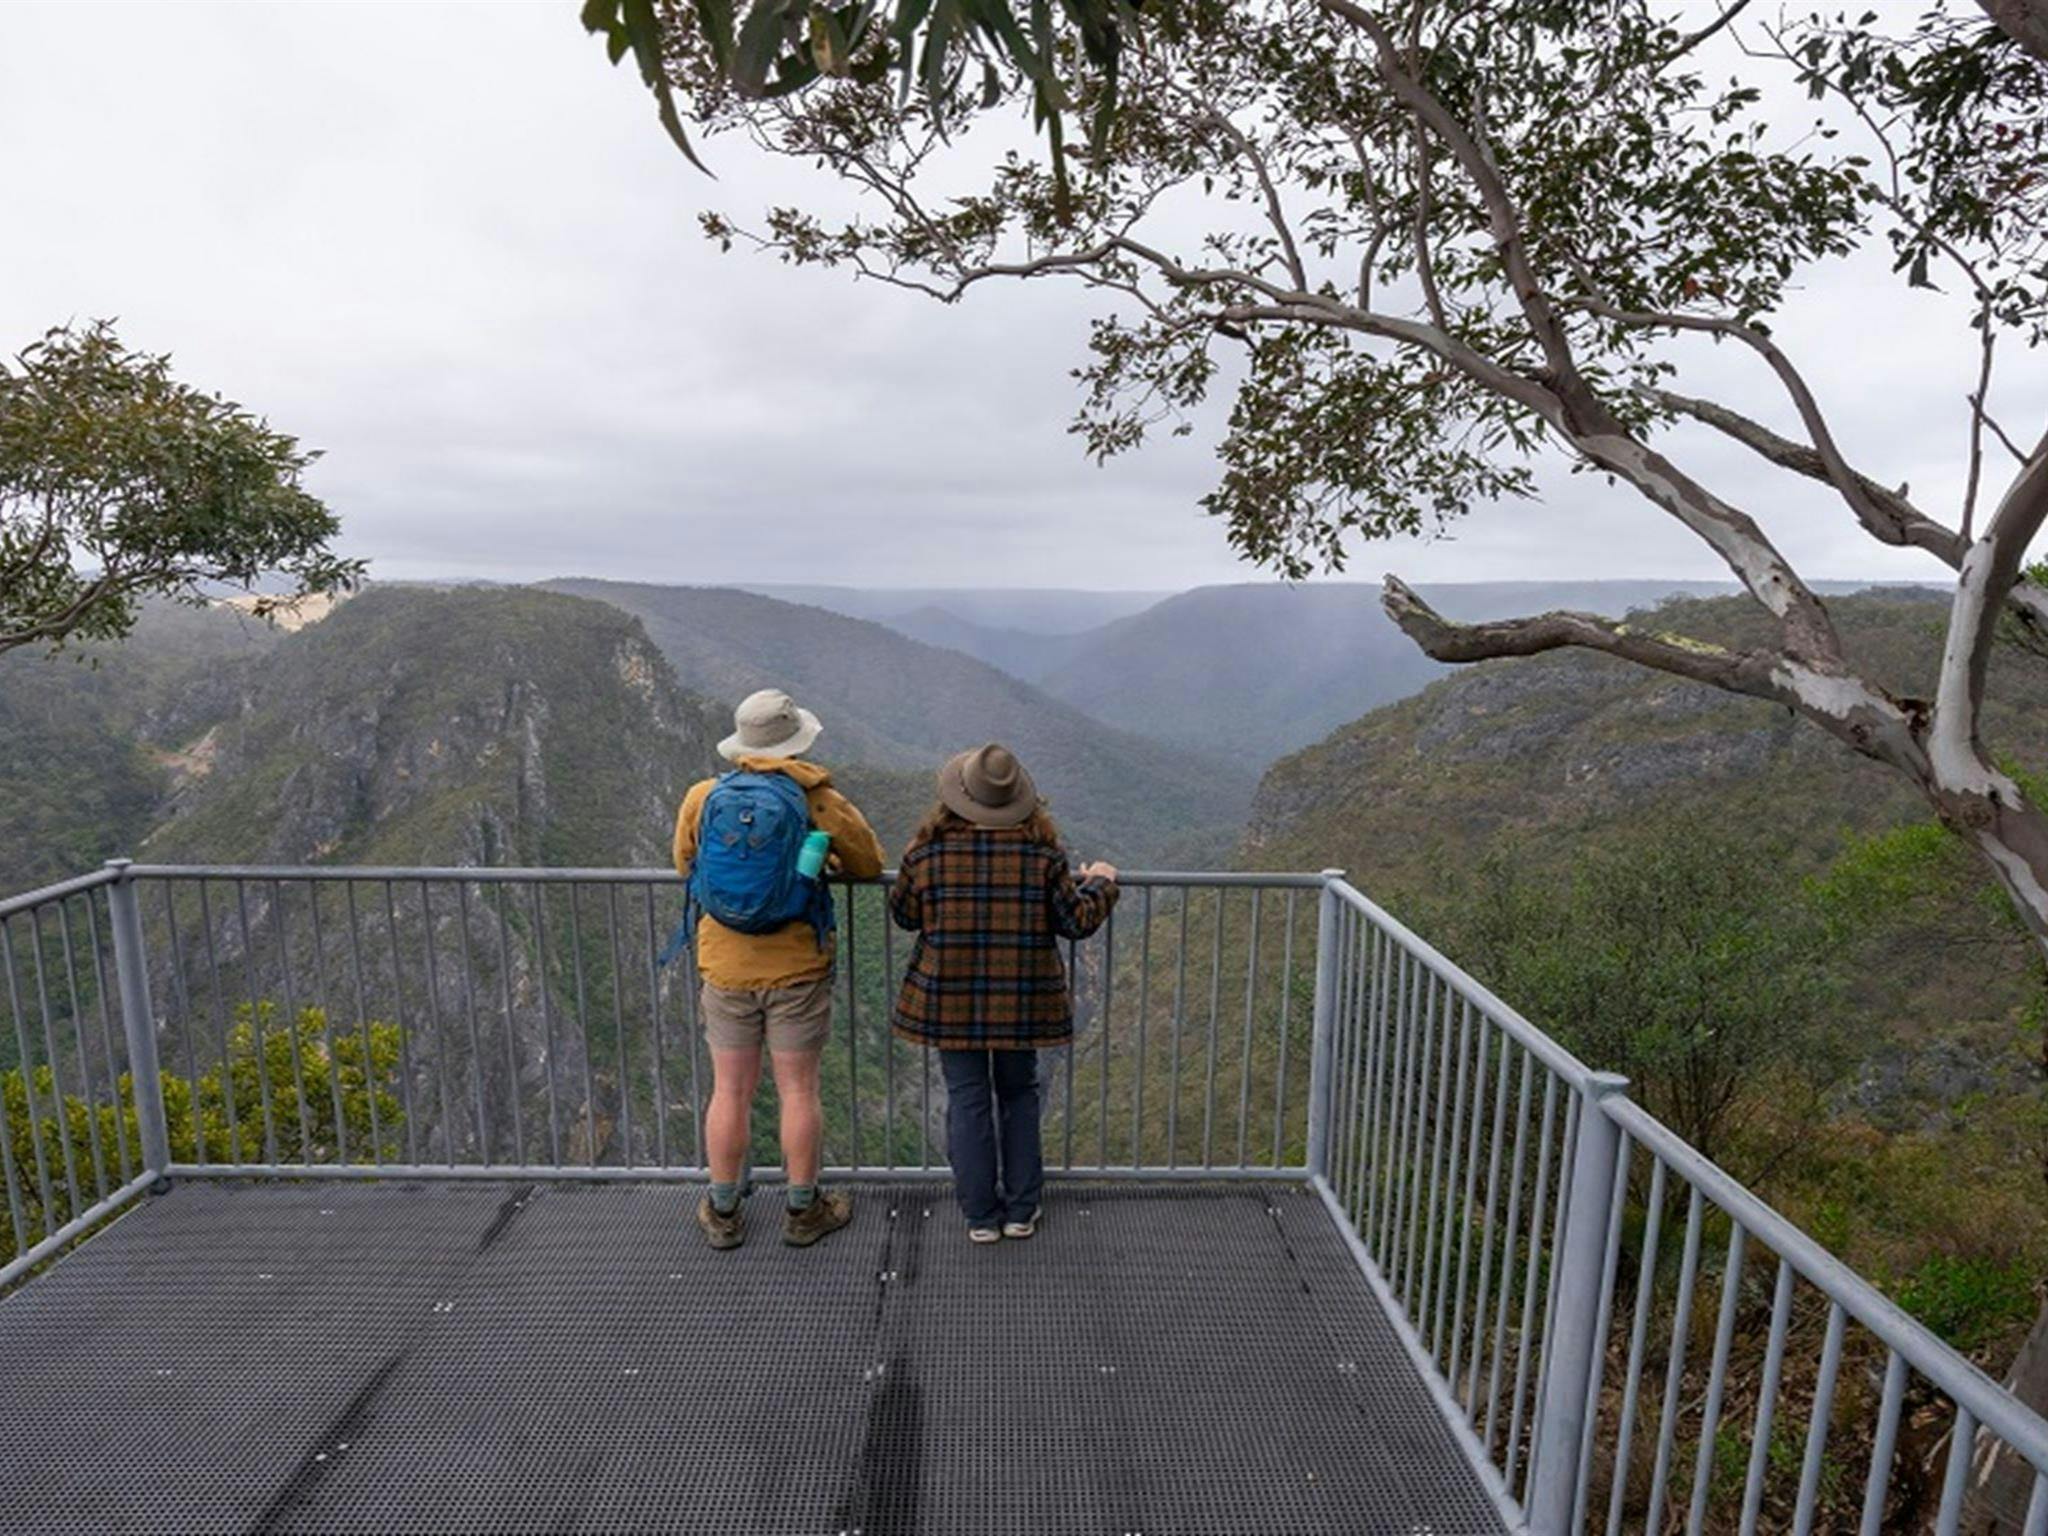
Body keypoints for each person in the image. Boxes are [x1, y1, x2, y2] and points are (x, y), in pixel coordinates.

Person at [674, 687, 884, 1250]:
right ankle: (803, 1210)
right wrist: (824, 860)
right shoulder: (817, 800)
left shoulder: (703, 795)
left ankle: (722, 1212)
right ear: (796, 741)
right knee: (798, 1090)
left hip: (724, 965)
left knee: (731, 1091)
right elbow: (869, 864)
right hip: (797, 969)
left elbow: (683, 862)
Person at [887, 742, 1118, 1243]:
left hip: (950, 999)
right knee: (1019, 1094)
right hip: (1022, 998)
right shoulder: (1041, 856)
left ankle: (979, 1217)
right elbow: (1075, 922)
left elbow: (904, 915)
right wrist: (1100, 884)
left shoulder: (925, 852)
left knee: (967, 1097)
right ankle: (1020, 1210)